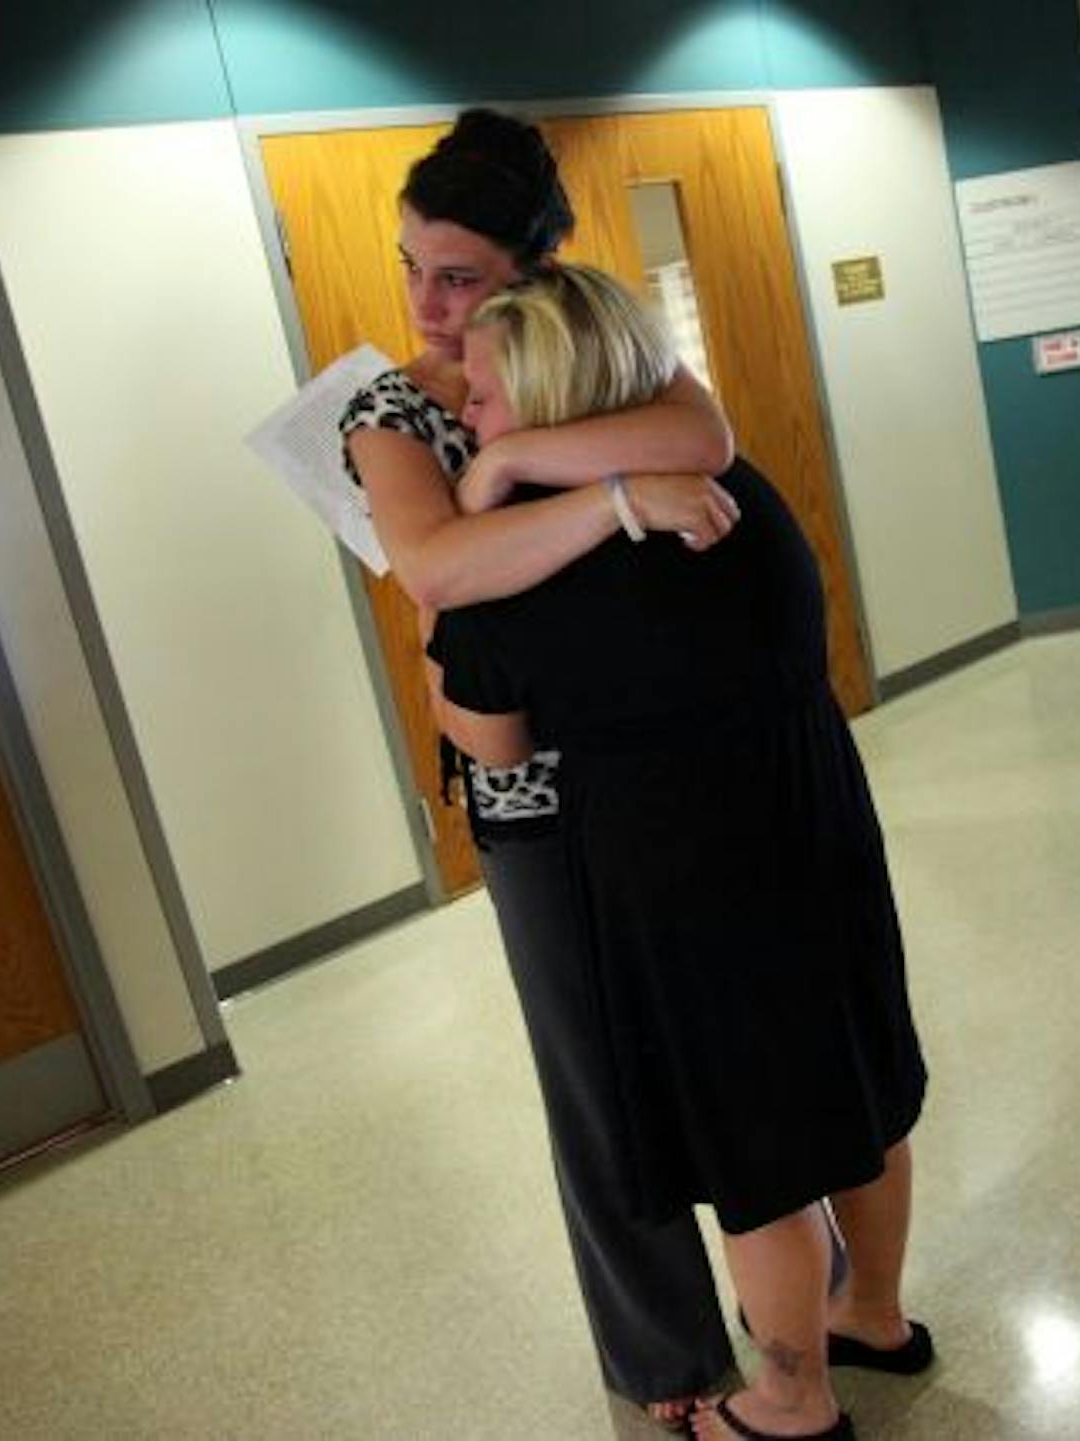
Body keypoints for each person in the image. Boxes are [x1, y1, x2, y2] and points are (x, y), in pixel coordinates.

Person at [439, 264, 932, 1441]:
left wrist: (447, 600)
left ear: (552, 402)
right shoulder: (739, 494)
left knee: (753, 1149)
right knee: (855, 1080)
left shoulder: (522, 570)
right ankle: (874, 1312)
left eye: (483, 398)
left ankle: (790, 1400)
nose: (466, 418)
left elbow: (493, 736)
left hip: (680, 873)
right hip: (814, 819)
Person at [338, 110, 743, 1432]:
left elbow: (710, 441)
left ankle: (795, 1292)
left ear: (532, 266)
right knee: (595, 1078)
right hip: (523, 786)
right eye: (412, 267)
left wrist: (511, 462)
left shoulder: (607, 352)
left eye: (460, 275)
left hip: (661, 754)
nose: (431, 305)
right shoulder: (387, 405)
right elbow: (440, 569)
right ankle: (666, 1356)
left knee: (722, 1038)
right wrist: (611, 499)